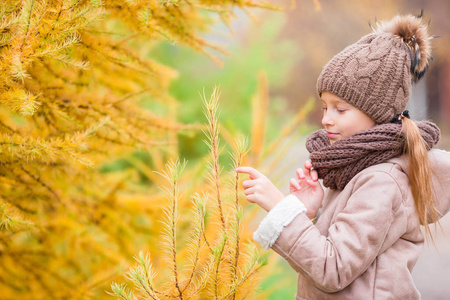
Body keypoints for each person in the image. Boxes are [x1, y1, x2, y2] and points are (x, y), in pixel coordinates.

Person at [236, 13, 450, 299]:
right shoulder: (356, 171)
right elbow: (342, 250)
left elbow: (333, 269)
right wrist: (312, 215)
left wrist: (280, 209)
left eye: (340, 108)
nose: (325, 119)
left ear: (377, 113)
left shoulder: (382, 181)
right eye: (325, 107)